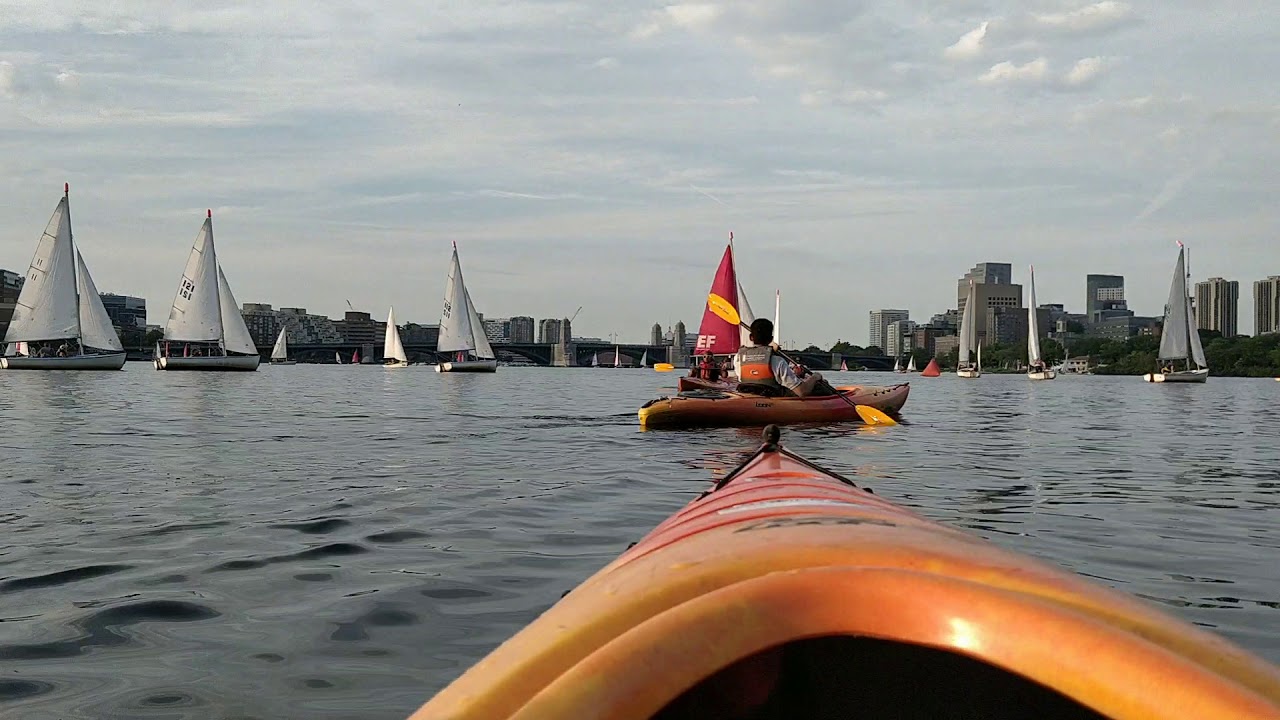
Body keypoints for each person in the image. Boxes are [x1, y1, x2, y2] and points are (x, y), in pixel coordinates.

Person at [733, 318, 832, 397]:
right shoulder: (777, 361)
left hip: (748, 394)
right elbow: (802, 392)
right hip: (771, 397)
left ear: (751, 337)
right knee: (820, 385)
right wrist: (815, 377)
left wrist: (796, 376)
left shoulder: (738, 358)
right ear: (771, 339)